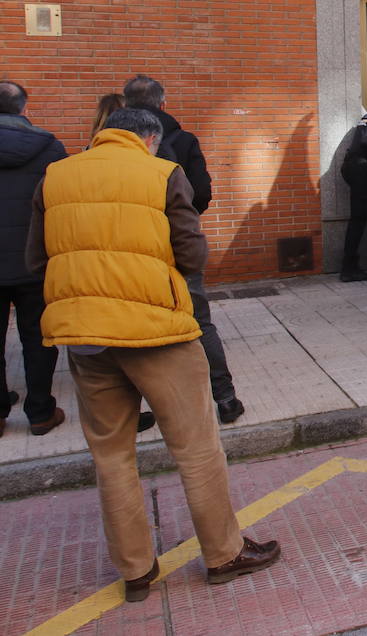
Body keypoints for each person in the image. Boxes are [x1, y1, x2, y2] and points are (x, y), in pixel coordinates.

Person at [25, 107, 281, 602]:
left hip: (84, 336)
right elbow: (193, 255)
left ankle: (136, 571)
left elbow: (37, 259)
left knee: (112, 455)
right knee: (196, 445)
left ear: (102, 136)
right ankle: (224, 554)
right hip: (157, 332)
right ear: (149, 139)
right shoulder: (164, 173)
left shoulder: (55, 175)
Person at [123, 75, 243, 425]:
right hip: (177, 242)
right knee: (199, 320)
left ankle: (142, 408)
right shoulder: (184, 140)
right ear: (163, 104)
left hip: (129, 248)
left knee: (133, 325)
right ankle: (225, 399)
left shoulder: (108, 142)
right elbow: (202, 193)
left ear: (125, 103)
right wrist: (182, 219)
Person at [0, 81, 67, 437]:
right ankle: (40, 411)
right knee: (39, 336)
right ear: (24, 109)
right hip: (35, 259)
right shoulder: (49, 148)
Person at [339, 111, 367, 282]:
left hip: (352, 167)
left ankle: (350, 266)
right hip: (360, 171)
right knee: (358, 222)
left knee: (357, 221)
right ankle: (348, 269)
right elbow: (366, 140)